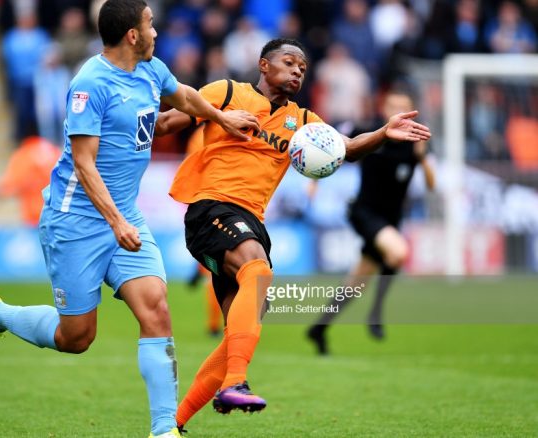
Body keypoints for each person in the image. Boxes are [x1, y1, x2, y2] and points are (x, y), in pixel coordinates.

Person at [0, 1, 259, 437]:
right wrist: (115, 222)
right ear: (131, 34)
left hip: (125, 216)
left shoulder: (151, 69)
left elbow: (181, 98)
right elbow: (84, 164)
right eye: (150, 24)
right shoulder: (90, 84)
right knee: (77, 338)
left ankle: (164, 430)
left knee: (157, 309)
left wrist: (220, 117)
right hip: (76, 222)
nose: (156, 32)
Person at [154, 38, 431, 431]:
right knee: (258, 271)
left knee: (238, 333)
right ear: (264, 65)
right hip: (211, 209)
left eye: (303, 66)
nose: (298, 70)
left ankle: (171, 427)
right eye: (289, 62)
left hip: (251, 222)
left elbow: (347, 148)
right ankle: (235, 383)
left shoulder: (303, 122)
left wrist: (384, 133)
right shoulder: (227, 92)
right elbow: (166, 123)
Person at [306, 86, 436, 355]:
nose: (397, 111)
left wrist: (422, 159)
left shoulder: (416, 140)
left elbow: (432, 186)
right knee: (398, 252)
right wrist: (314, 180)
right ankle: (376, 314)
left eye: (404, 106)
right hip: (364, 212)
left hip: (391, 218)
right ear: (384, 108)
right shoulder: (371, 132)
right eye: (393, 105)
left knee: (356, 282)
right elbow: (333, 149)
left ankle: (319, 328)